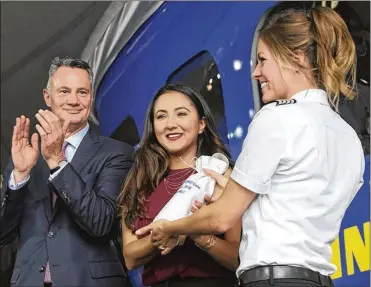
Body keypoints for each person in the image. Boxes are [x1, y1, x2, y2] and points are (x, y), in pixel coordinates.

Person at [135, 7, 365, 287]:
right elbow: (297, 202)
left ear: (296, 58)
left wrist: (170, 228)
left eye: (262, 60)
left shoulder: (277, 117)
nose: (256, 72)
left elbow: (221, 219)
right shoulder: (348, 136)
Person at [0, 56, 133, 287]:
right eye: (64, 91)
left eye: (82, 92)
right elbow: (4, 234)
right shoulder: (26, 153)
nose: (74, 100)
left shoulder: (117, 152)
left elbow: (100, 222)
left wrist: (57, 161)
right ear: (47, 97)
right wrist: (19, 176)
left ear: (91, 98)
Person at [119, 84, 241, 287]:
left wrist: (198, 234)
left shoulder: (220, 174)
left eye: (181, 114)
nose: (170, 124)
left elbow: (236, 259)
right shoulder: (139, 180)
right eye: (161, 116)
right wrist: (163, 234)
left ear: (201, 124)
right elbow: (130, 258)